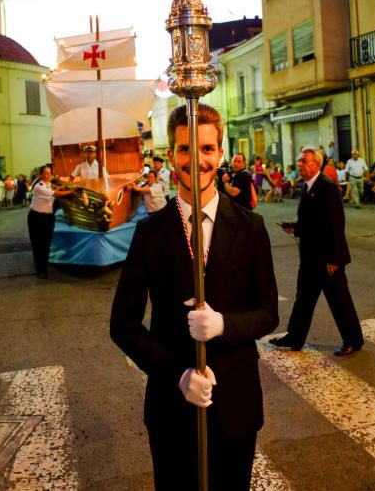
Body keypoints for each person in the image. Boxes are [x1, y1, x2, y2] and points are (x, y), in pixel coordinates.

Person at [110, 103, 279, 491]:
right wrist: (178, 375)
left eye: (206, 149)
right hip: (172, 406)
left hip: (235, 402)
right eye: (185, 149)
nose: (196, 160)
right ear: (172, 154)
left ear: (219, 153)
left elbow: (268, 312)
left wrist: (225, 324)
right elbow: (122, 323)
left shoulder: (251, 228)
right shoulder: (150, 233)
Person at [270, 147, 363, 356]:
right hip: (310, 257)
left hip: (328, 259)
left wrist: (335, 259)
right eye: (299, 160)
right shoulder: (308, 186)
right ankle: (294, 337)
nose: (299, 164)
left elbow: (336, 225)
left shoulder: (327, 188)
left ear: (316, 164)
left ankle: (353, 340)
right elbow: (314, 222)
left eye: (304, 161)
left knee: (339, 300)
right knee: (303, 298)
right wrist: (296, 226)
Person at [28, 164, 74, 278]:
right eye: (46, 173)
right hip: (36, 218)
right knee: (38, 244)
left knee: (46, 243)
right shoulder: (39, 187)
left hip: (47, 218)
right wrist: (71, 191)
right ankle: (41, 270)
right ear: (40, 175)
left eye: (50, 173)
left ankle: (43, 267)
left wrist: (61, 187)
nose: (49, 175)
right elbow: (55, 193)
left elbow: (54, 190)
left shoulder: (48, 185)